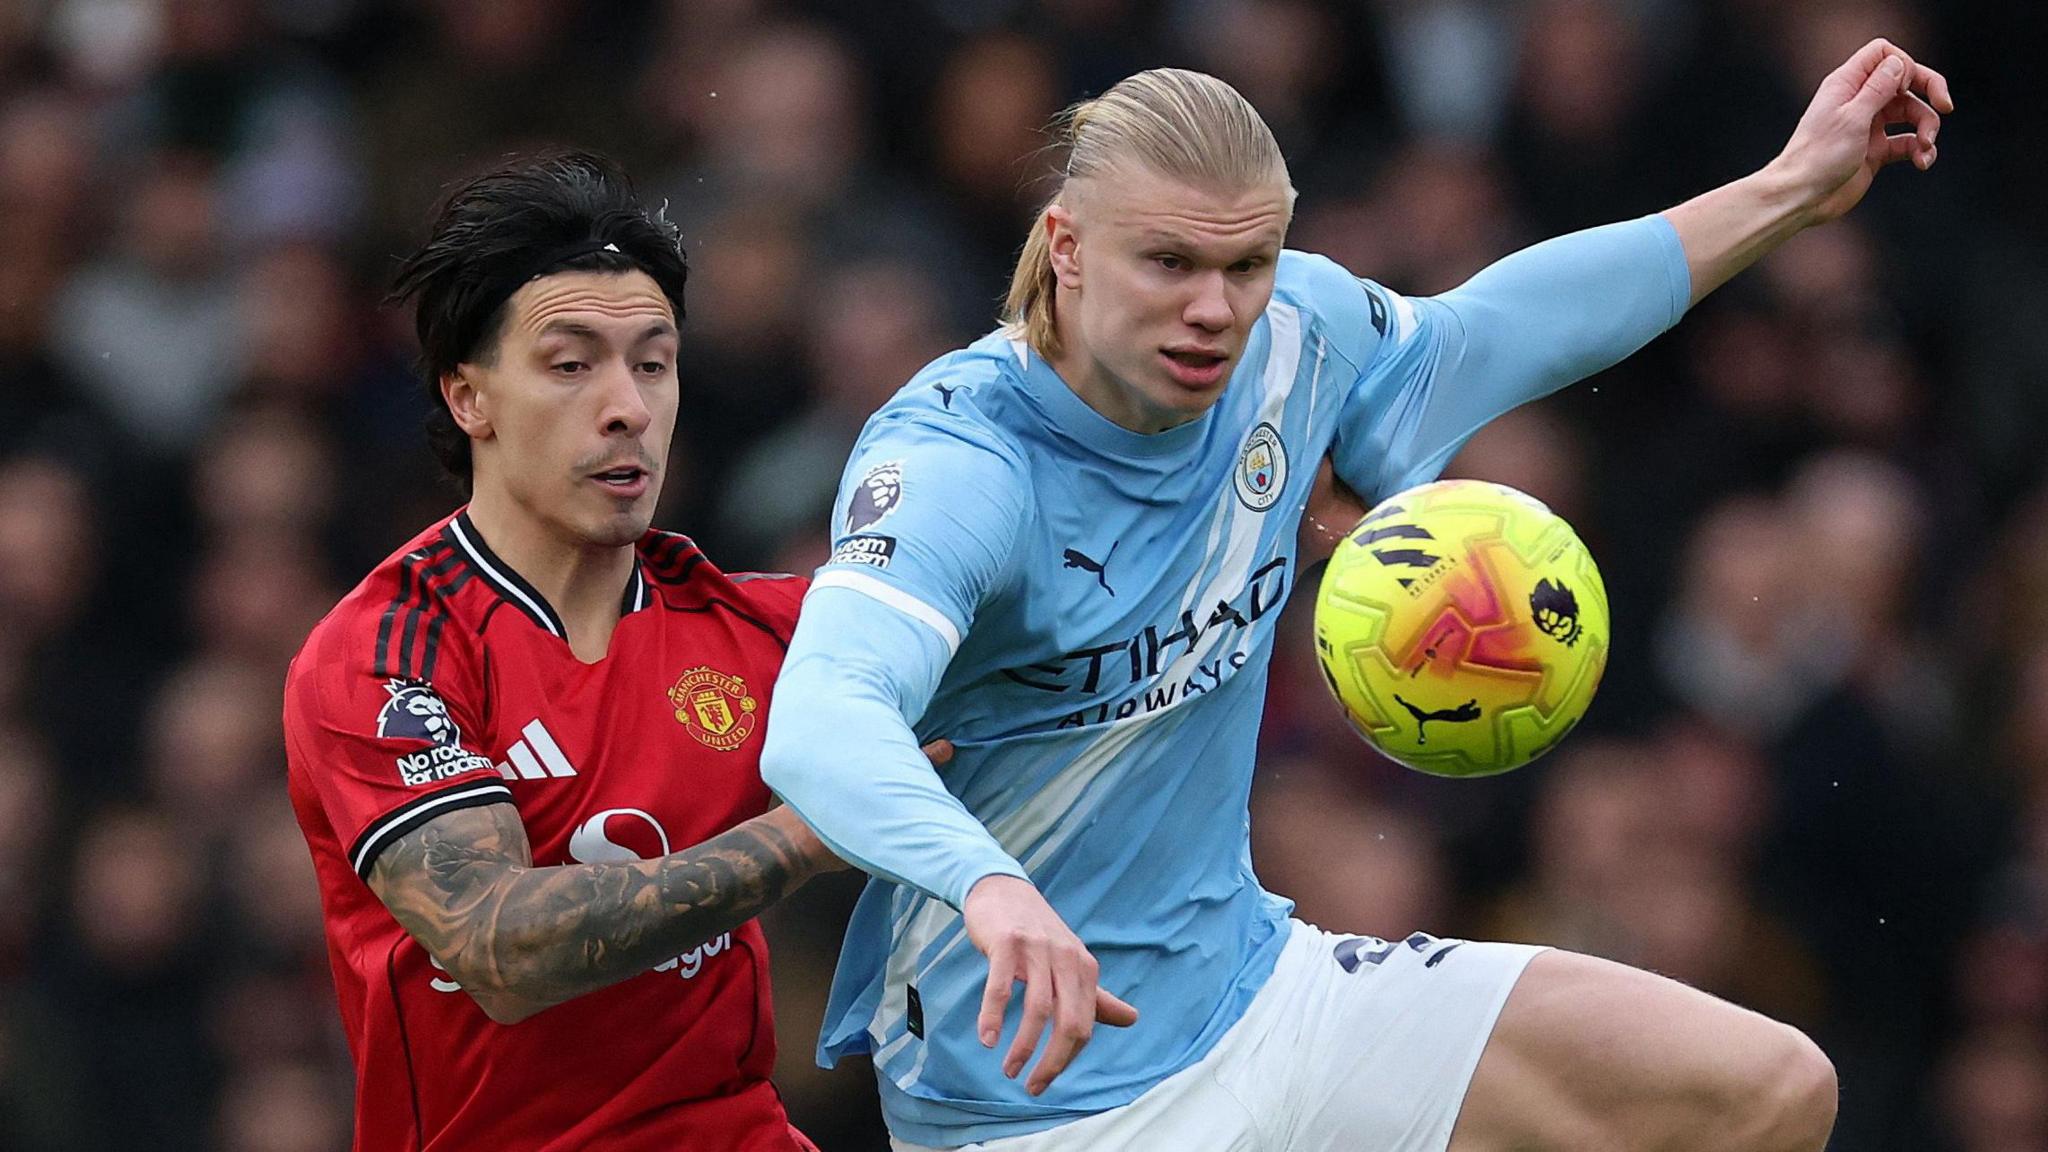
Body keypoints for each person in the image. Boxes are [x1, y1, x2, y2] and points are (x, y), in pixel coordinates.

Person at [759, 39, 1951, 1152]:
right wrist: (989, 884)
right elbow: (820, 719)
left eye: (1244, 263)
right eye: (1167, 263)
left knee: (1765, 1091)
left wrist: (1790, 186)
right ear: (1064, 246)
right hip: (1027, 1097)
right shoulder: (963, 464)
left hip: (1258, 995)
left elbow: (1497, 330)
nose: (1214, 311)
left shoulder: (1292, 338)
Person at [282, 151, 940, 1152]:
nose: (627, 405)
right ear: (469, 398)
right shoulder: (387, 656)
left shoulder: (759, 630)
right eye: (570, 363)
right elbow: (499, 949)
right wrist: (799, 842)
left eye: (652, 361)